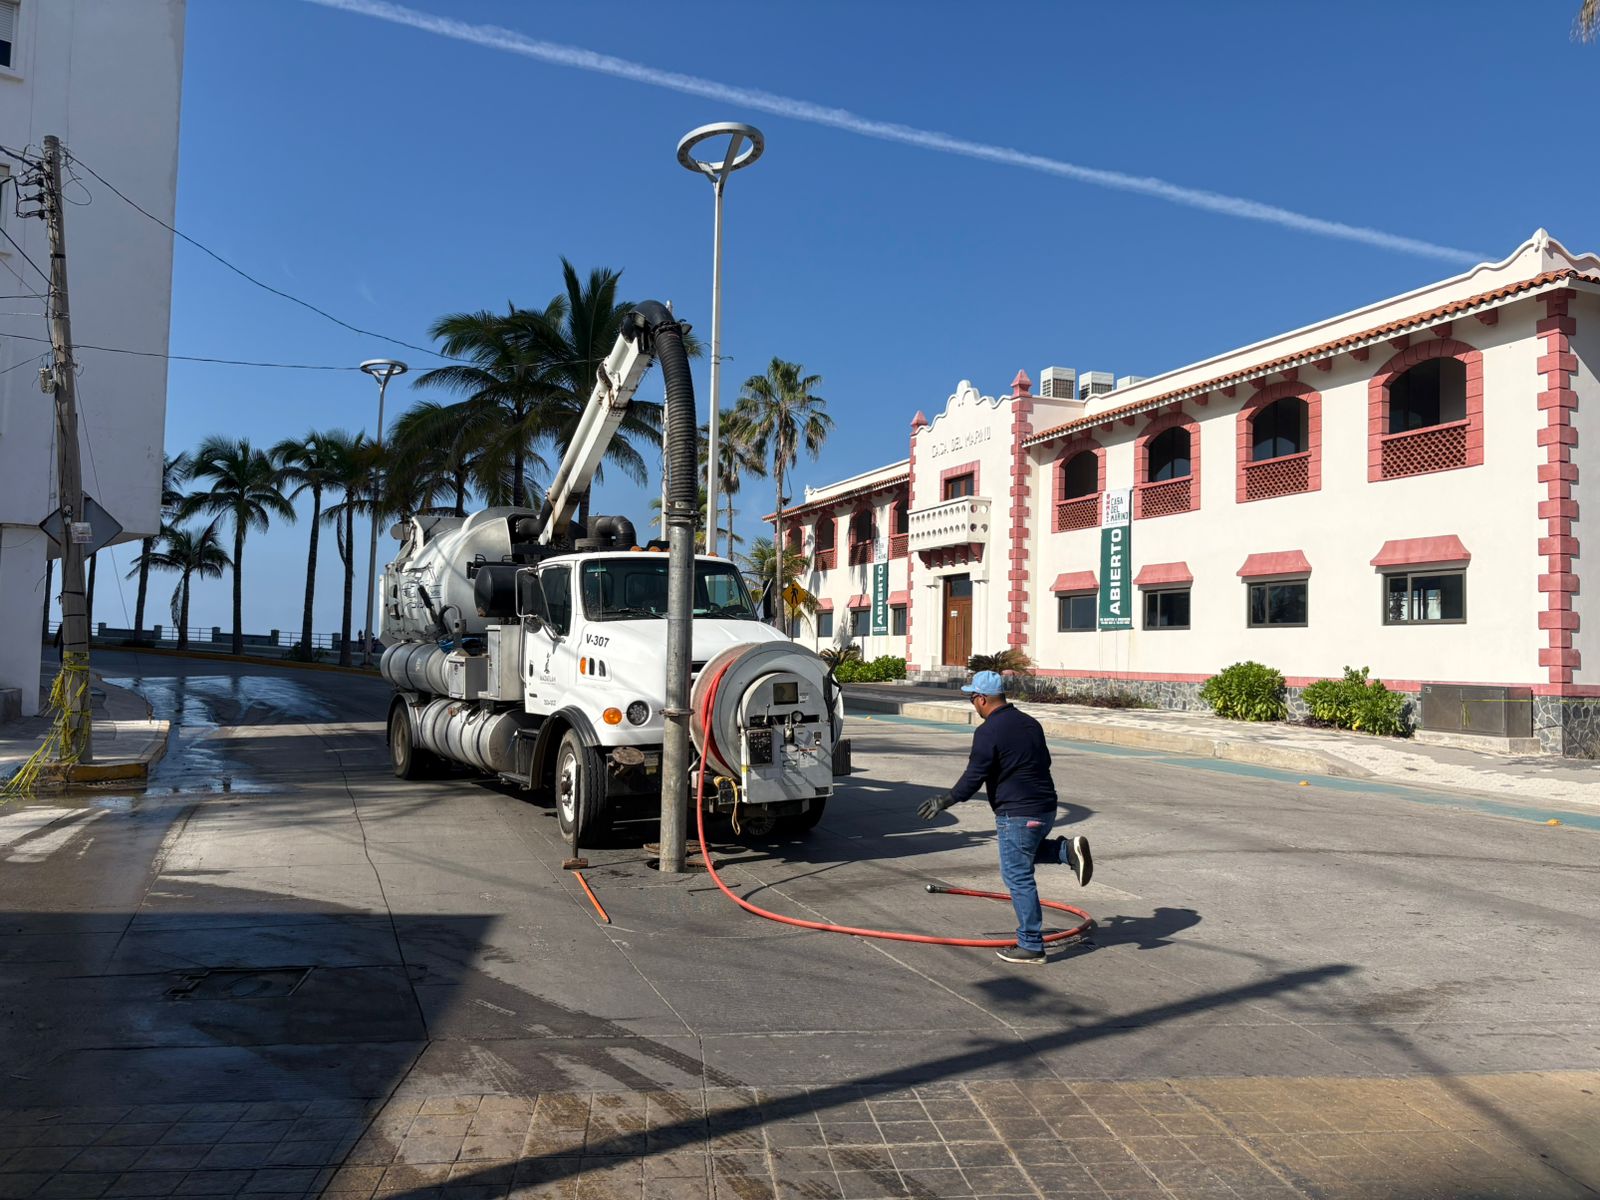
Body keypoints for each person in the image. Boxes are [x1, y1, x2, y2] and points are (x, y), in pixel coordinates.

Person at [916, 670, 1092, 965]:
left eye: (972, 699)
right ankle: (1065, 850)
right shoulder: (1030, 723)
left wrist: (945, 800)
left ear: (982, 699)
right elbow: (1044, 761)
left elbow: (974, 775)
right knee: (1025, 852)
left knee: (1017, 875)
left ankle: (1031, 945)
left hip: (1018, 813)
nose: (973, 704)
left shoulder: (988, 731)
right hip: (1046, 808)